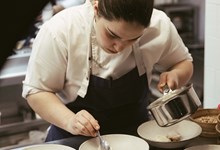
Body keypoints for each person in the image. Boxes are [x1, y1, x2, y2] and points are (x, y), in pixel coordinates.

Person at [22, 0, 193, 142]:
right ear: (96, 8)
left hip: (135, 138)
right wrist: (70, 120)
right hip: (72, 139)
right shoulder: (60, 30)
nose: (119, 47)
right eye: (112, 35)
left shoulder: (159, 25)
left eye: (133, 39)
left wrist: (176, 75)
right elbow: (36, 91)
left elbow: (183, 62)